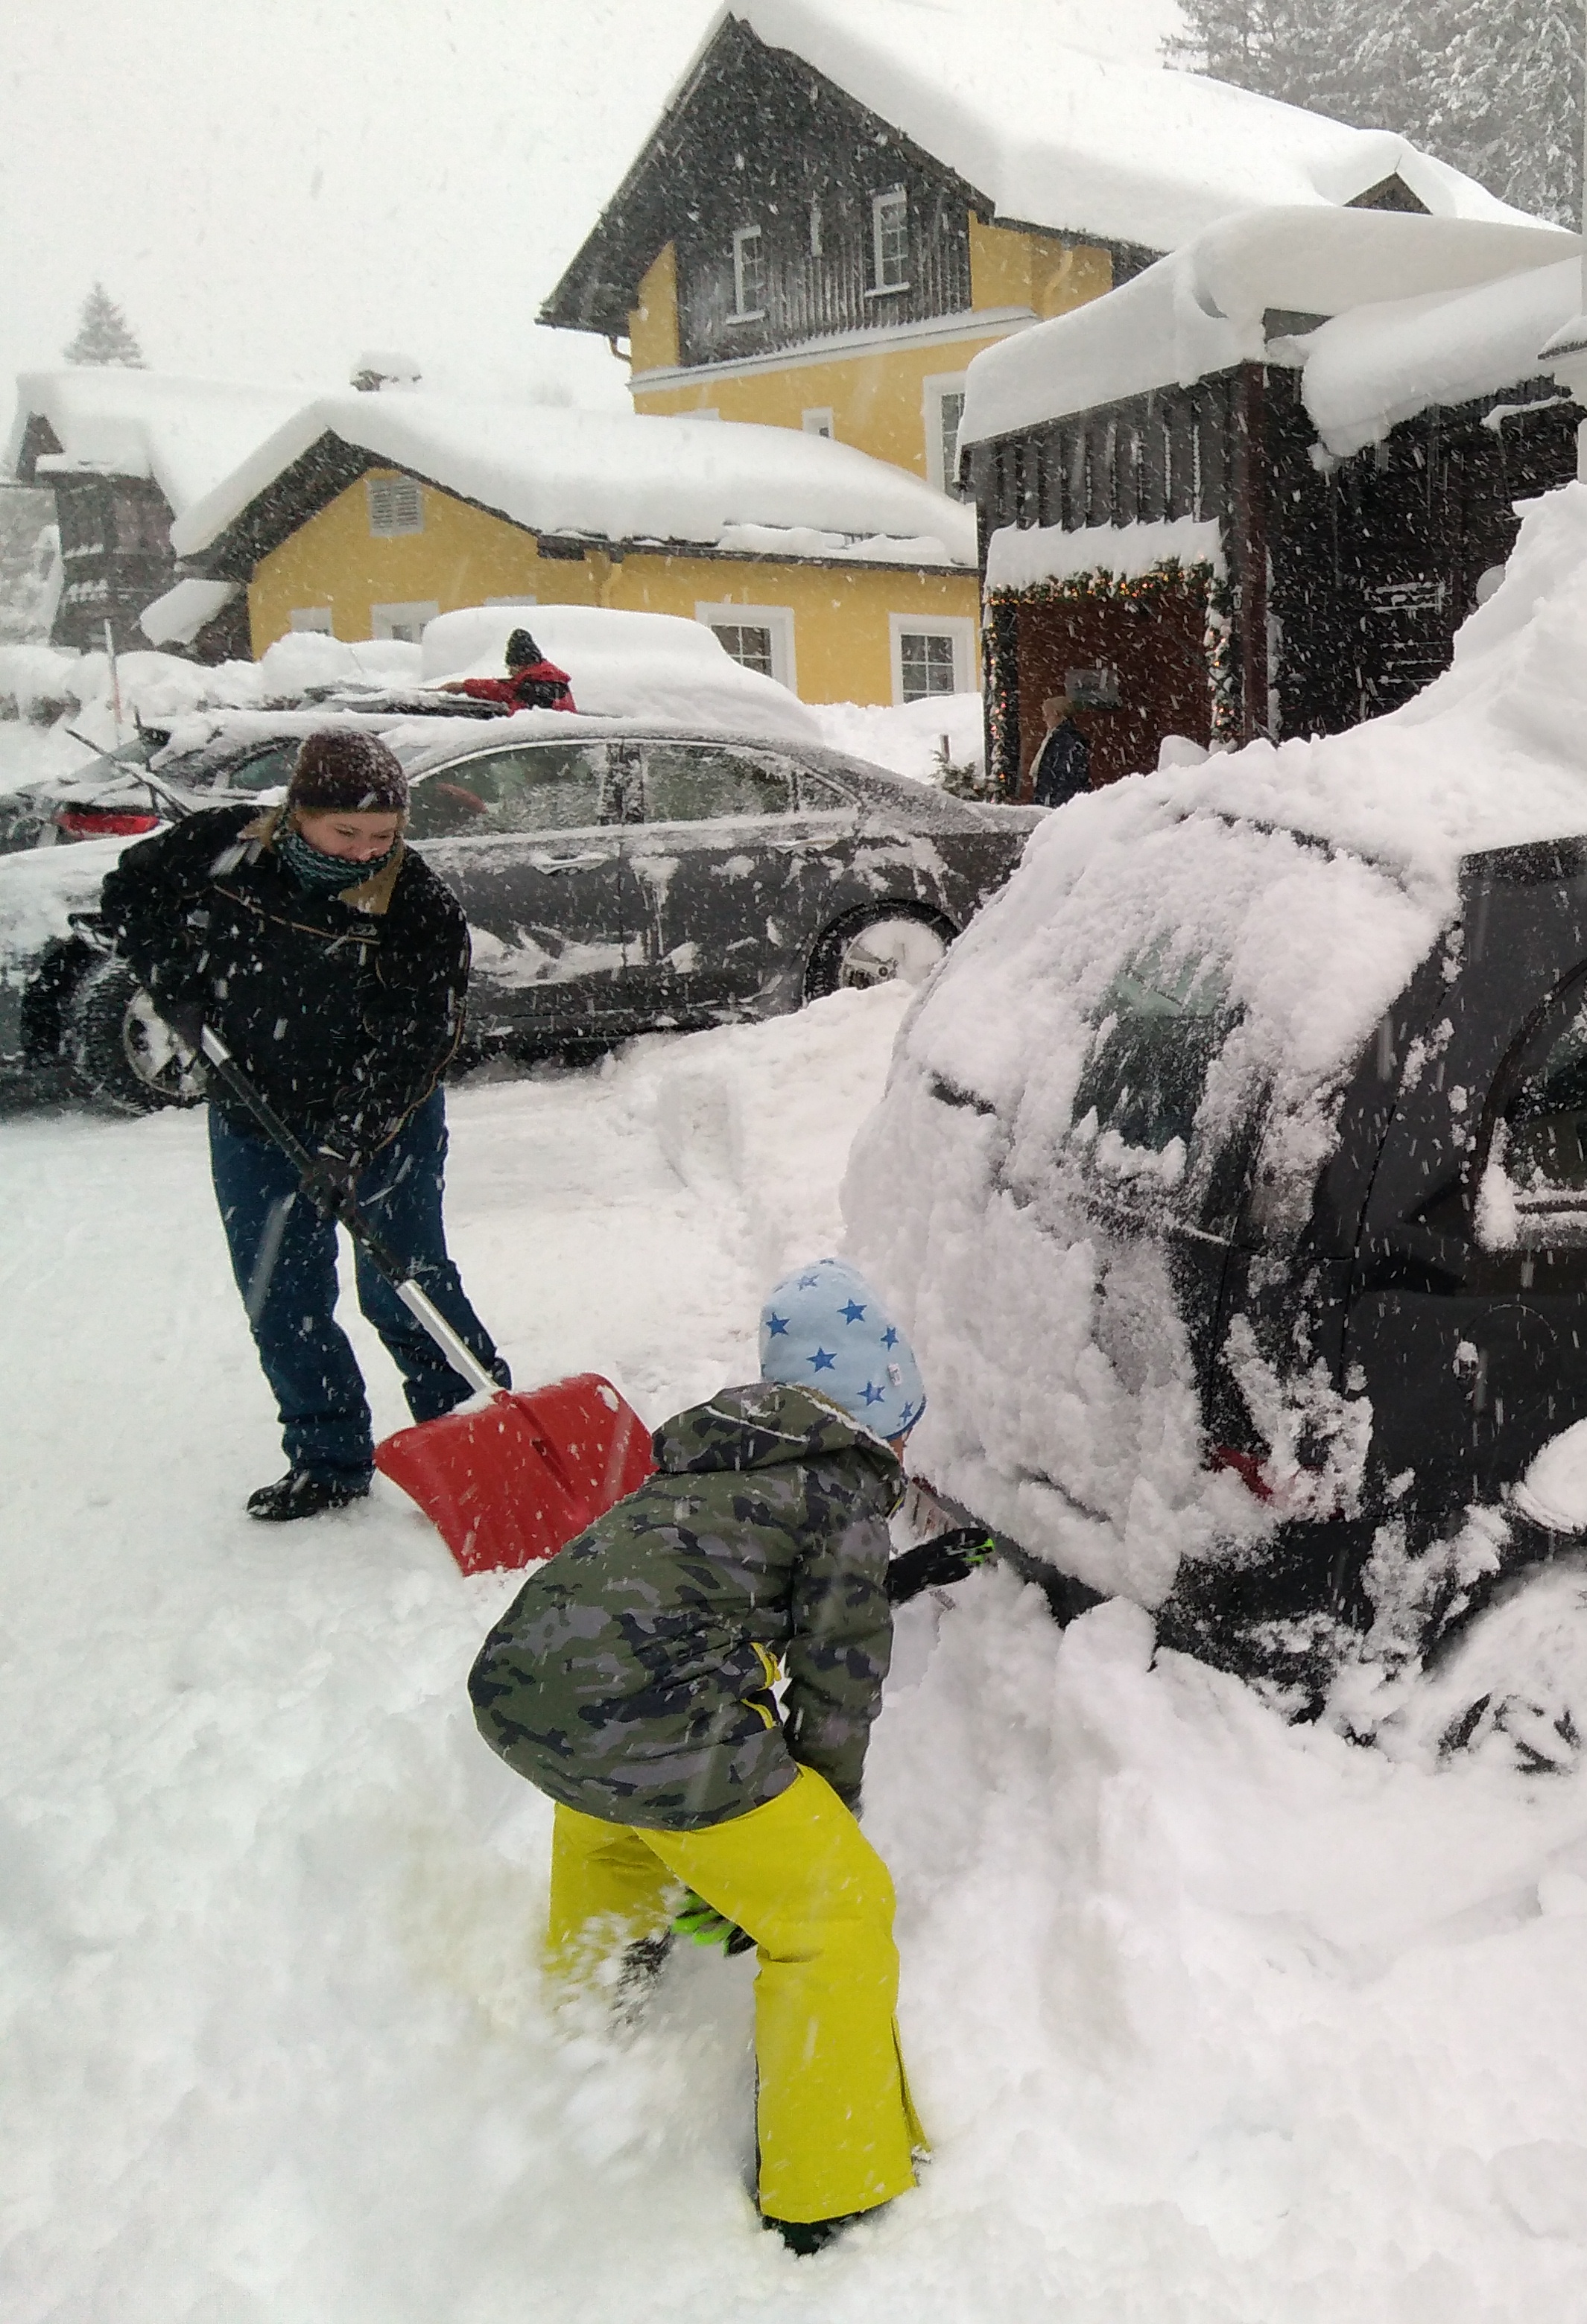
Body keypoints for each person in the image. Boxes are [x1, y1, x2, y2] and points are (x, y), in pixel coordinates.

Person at [466, 1259, 998, 2255]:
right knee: (840, 1913)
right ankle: (828, 2183)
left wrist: (897, 1575)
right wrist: (816, 1824)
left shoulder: (718, 1465)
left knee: (617, 1829)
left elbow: (753, 1581)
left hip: (531, 1692)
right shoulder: (843, 1490)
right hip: (649, 1716)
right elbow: (838, 1678)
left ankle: (594, 2004)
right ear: (874, 1419)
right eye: (905, 1425)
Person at [102, 728, 509, 1520]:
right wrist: (174, 979)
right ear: (298, 814)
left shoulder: (416, 906)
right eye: (345, 833)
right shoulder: (225, 848)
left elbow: (419, 1038)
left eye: (384, 836)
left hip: (383, 1120)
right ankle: (326, 1457)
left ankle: (471, 1435)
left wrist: (347, 1143)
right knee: (280, 1294)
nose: (365, 852)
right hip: (252, 1109)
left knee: (404, 1280)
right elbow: (133, 893)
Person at [443, 626, 574, 714]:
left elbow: (505, 690)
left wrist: (464, 687)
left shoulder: (538, 686)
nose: (509, 672)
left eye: (511, 667)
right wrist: (464, 687)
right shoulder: (542, 680)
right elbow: (501, 689)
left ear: (523, 665)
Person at [1017, 691, 1089, 807]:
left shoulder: (1066, 739)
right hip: (1056, 800)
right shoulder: (1057, 737)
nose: (1044, 719)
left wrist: (1053, 800)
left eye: (1047, 715)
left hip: (1059, 802)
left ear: (1057, 714)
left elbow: (1064, 776)